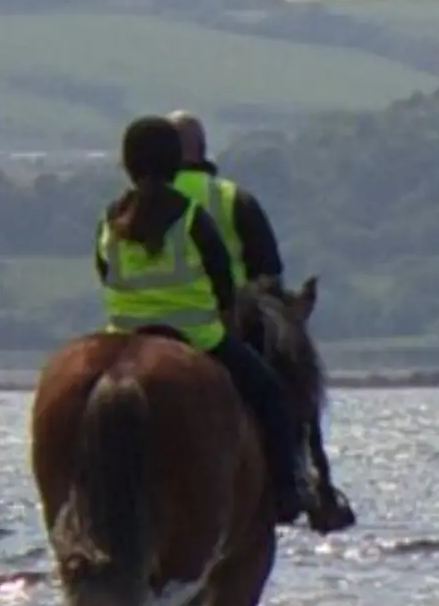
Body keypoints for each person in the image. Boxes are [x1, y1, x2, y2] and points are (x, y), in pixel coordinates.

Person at [96, 115, 313, 524]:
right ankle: (288, 489)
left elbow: (103, 273)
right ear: (174, 161)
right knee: (270, 393)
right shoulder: (192, 217)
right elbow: (222, 284)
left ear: (127, 163)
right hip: (196, 333)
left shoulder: (110, 217)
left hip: (121, 336)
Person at [171, 112, 357, 533]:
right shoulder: (231, 199)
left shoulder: (126, 208)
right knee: (280, 393)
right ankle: (298, 488)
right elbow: (268, 277)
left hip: (136, 326)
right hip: (222, 325)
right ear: (201, 150)